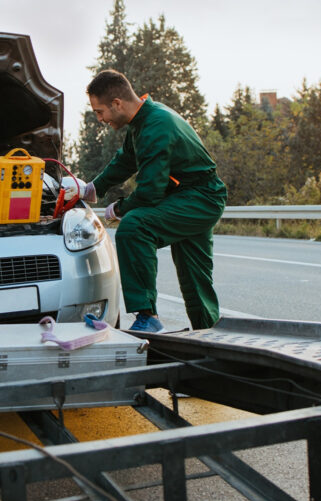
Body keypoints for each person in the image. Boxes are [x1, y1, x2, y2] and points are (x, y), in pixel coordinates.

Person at [81, 69, 226, 333]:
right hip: (191, 196)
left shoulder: (156, 125)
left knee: (135, 227)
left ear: (117, 103)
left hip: (200, 198)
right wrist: (93, 188)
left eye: (99, 112)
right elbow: (125, 160)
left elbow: (150, 190)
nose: (100, 119)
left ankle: (148, 316)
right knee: (194, 277)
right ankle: (209, 334)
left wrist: (119, 209)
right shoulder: (142, 121)